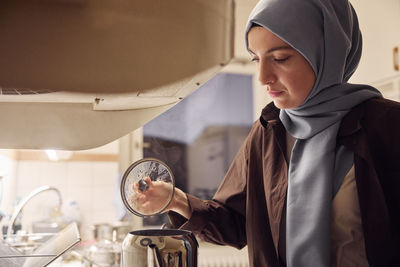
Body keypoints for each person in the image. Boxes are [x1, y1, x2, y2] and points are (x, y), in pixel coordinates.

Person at [134, 0, 400, 266]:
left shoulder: (389, 126)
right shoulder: (267, 132)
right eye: (255, 59)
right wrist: (175, 199)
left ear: (327, 53)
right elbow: (237, 224)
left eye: (280, 58)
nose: (262, 77)